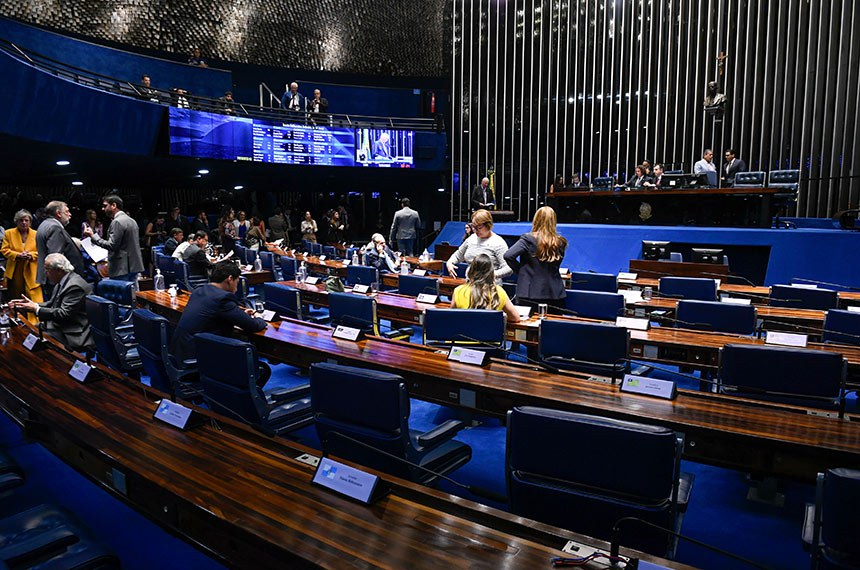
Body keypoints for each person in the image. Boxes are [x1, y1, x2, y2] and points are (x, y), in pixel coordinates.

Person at [169, 261, 267, 366]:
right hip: (198, 356)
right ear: (230, 279)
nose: (236, 287)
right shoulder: (223, 298)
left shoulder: (199, 290)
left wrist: (239, 314)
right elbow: (253, 326)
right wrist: (259, 316)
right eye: (237, 281)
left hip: (180, 352)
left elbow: (215, 314)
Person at [9, 253, 94, 352]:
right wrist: (31, 305)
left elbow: (64, 314)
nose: (45, 273)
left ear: (59, 270)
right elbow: (51, 304)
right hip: (61, 326)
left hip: (72, 332)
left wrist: (36, 309)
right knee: (27, 332)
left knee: (30, 341)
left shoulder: (74, 286)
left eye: (47, 269)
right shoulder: (63, 280)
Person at [503, 206, 567, 312]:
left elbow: (508, 256)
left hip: (529, 292)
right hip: (555, 293)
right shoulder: (560, 242)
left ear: (536, 220)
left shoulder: (528, 239)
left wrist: (521, 271)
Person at [83, 195, 145, 282]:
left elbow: (112, 245)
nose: (103, 209)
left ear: (114, 205)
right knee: (133, 290)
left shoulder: (117, 222)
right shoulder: (132, 220)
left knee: (122, 290)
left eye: (105, 206)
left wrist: (93, 236)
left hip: (121, 268)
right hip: (134, 266)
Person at [450, 254, 520, 323]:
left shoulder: (458, 291)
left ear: (471, 270)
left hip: (465, 330)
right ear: (491, 272)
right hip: (491, 330)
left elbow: (452, 317)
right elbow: (515, 318)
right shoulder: (499, 292)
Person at [1, 209, 43, 323]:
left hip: (32, 270)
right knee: (17, 298)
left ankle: (36, 323)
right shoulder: (9, 233)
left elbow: (41, 251)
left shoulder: (36, 234)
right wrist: (17, 255)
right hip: (15, 270)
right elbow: (4, 250)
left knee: (34, 296)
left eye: (26, 220)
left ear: (30, 222)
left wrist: (31, 255)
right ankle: (19, 321)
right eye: (21, 220)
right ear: (16, 221)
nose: (24, 223)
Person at [446, 209, 511, 281]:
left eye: (479, 228)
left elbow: (508, 268)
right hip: (470, 283)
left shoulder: (498, 243)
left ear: (488, 225)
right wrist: (450, 263)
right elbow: (458, 255)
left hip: (489, 285)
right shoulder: (471, 238)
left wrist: (490, 275)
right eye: (473, 227)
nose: (476, 231)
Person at [36, 200, 86, 293]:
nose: (70, 214)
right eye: (67, 211)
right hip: (57, 279)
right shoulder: (55, 227)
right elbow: (56, 258)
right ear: (58, 213)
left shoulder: (44, 224)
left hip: (49, 277)